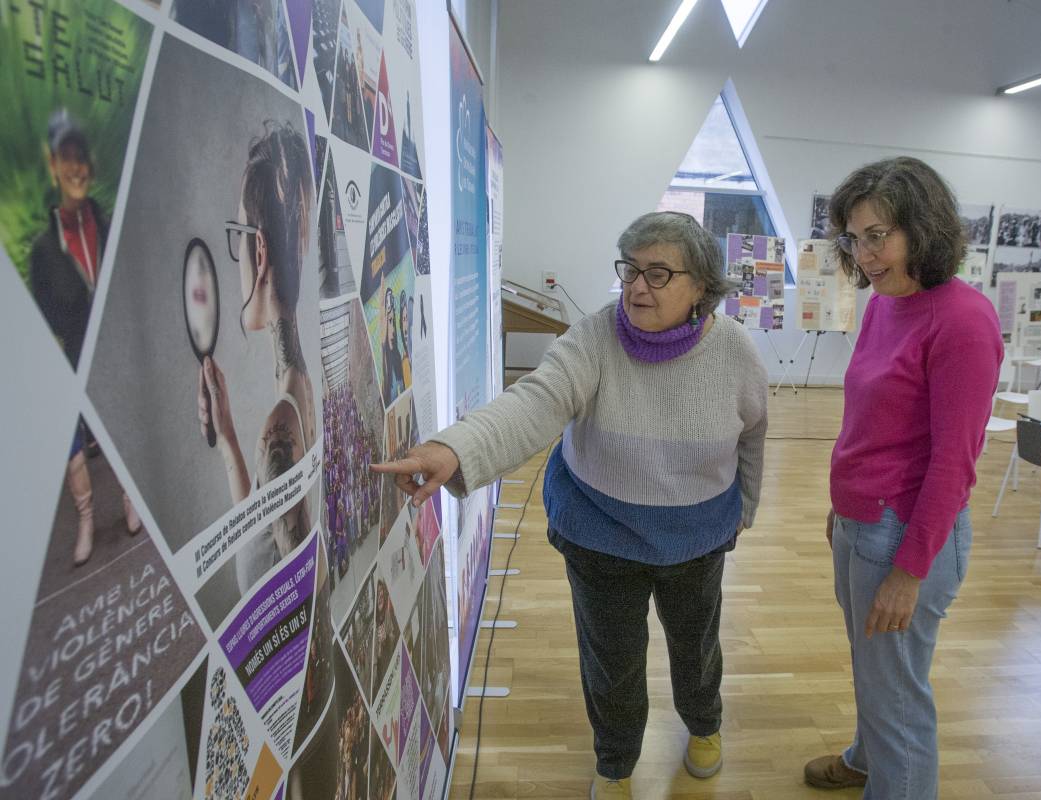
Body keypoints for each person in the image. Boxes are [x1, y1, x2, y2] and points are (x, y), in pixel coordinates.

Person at [372, 212, 767, 798]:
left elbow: (752, 435)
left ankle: (704, 724)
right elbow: (536, 401)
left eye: (659, 273)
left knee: (695, 645)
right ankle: (616, 763)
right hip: (600, 534)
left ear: (702, 287)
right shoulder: (594, 338)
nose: (637, 287)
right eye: (631, 269)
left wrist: (745, 508)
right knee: (612, 661)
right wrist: (456, 448)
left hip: (696, 538)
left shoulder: (734, 351)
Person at [803, 157, 1002, 798]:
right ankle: (867, 759)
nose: (864, 255)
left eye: (878, 236)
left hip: (906, 535)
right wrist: (844, 502)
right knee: (876, 672)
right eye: (853, 238)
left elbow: (954, 463)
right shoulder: (886, 304)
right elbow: (872, 421)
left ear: (923, 228)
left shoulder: (963, 320)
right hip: (863, 520)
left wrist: (910, 571)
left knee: (898, 698)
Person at [198, 121, 316, 591]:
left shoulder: (280, 424)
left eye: (238, 235)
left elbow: (300, 598)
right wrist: (226, 434)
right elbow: (264, 537)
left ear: (259, 250)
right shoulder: (297, 380)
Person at [30, 112, 142, 564]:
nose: (75, 168)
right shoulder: (44, 250)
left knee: (121, 428)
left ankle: (131, 499)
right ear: (54, 166)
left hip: (113, 356)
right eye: (66, 158)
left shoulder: (108, 228)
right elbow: (42, 318)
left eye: (81, 158)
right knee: (73, 447)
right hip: (71, 361)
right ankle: (86, 519)